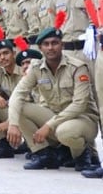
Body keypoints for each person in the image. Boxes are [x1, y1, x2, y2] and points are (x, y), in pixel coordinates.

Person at [8, 12, 99, 171]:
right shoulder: (36, 68)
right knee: (20, 108)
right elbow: (18, 94)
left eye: (55, 43)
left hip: (83, 119)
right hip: (56, 117)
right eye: (46, 44)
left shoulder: (77, 67)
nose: (51, 47)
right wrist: (13, 124)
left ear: (62, 45)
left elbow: (80, 104)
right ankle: (44, 154)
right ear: (41, 48)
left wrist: (48, 126)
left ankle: (83, 154)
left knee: (65, 131)